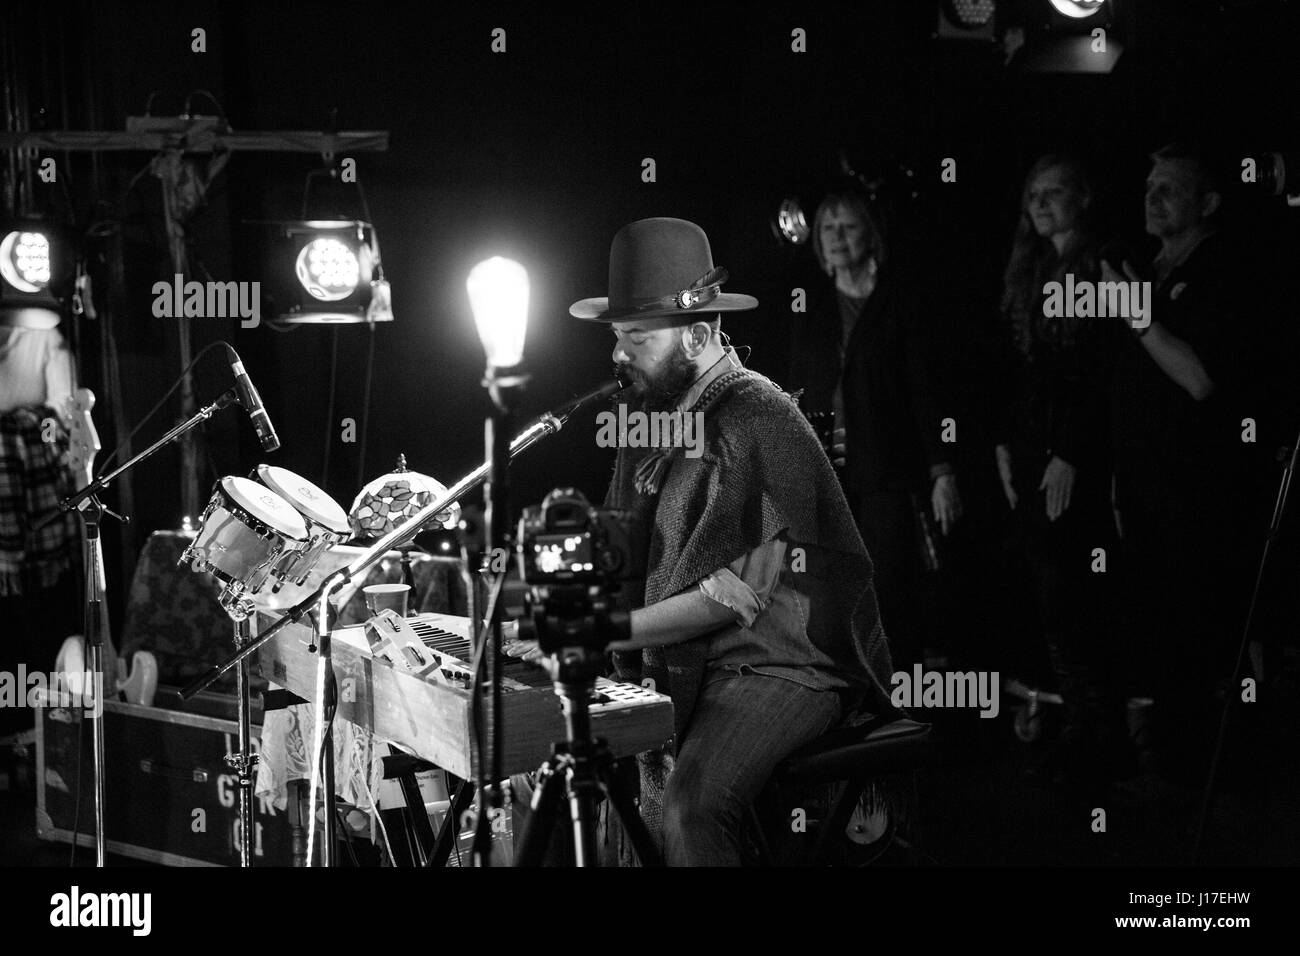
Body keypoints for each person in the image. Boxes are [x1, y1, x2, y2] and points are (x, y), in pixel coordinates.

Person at [509, 217, 896, 865]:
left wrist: (604, 629)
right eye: (615, 336)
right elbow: (619, 548)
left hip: (782, 666)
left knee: (693, 807)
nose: (616, 355)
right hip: (695, 660)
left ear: (697, 334)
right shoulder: (646, 421)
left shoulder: (762, 415)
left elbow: (736, 595)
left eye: (635, 337)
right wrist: (541, 607)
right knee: (548, 762)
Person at [1105, 143, 1261, 784]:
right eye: (1149, 184)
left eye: (1171, 187)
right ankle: (1164, 769)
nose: (1153, 196)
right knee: (1155, 634)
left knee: (1194, 639)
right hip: (1142, 493)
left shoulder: (1224, 270)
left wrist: (1137, 317)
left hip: (1197, 498)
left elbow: (1200, 380)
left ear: (1209, 203)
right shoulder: (1148, 267)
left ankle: (1203, 784)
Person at [994, 154, 1130, 786]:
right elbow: (1028, 370)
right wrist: (1005, 443)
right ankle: (1082, 727)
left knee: (1072, 590)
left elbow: (1099, 371)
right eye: (1033, 193)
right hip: (1031, 449)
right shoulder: (1036, 267)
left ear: (1084, 196)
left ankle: (1098, 735)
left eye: (1054, 192)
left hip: (1071, 454)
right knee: (1051, 592)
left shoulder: (1099, 265)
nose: (1041, 203)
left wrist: (1071, 453)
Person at [786, 187, 958, 671]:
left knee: (892, 587)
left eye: (848, 226)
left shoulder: (900, 299)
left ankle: (904, 701)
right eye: (827, 228)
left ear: (871, 234)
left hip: (889, 468)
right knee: (833, 591)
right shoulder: (812, 306)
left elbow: (926, 389)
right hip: (831, 471)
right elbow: (798, 389)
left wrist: (942, 469)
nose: (837, 238)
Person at [0, 323, 81, 741]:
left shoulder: (42, 333)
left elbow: (64, 413)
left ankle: (46, 738)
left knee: (38, 622)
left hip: (34, 514)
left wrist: (22, 426)